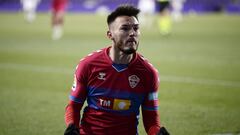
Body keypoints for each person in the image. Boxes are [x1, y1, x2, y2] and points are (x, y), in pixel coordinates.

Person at [64, 5, 170, 135]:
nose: (132, 33)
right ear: (110, 35)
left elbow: (151, 119)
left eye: (136, 28)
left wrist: (156, 133)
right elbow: (74, 106)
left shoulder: (149, 73)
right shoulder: (88, 65)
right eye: (125, 28)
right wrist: (72, 126)